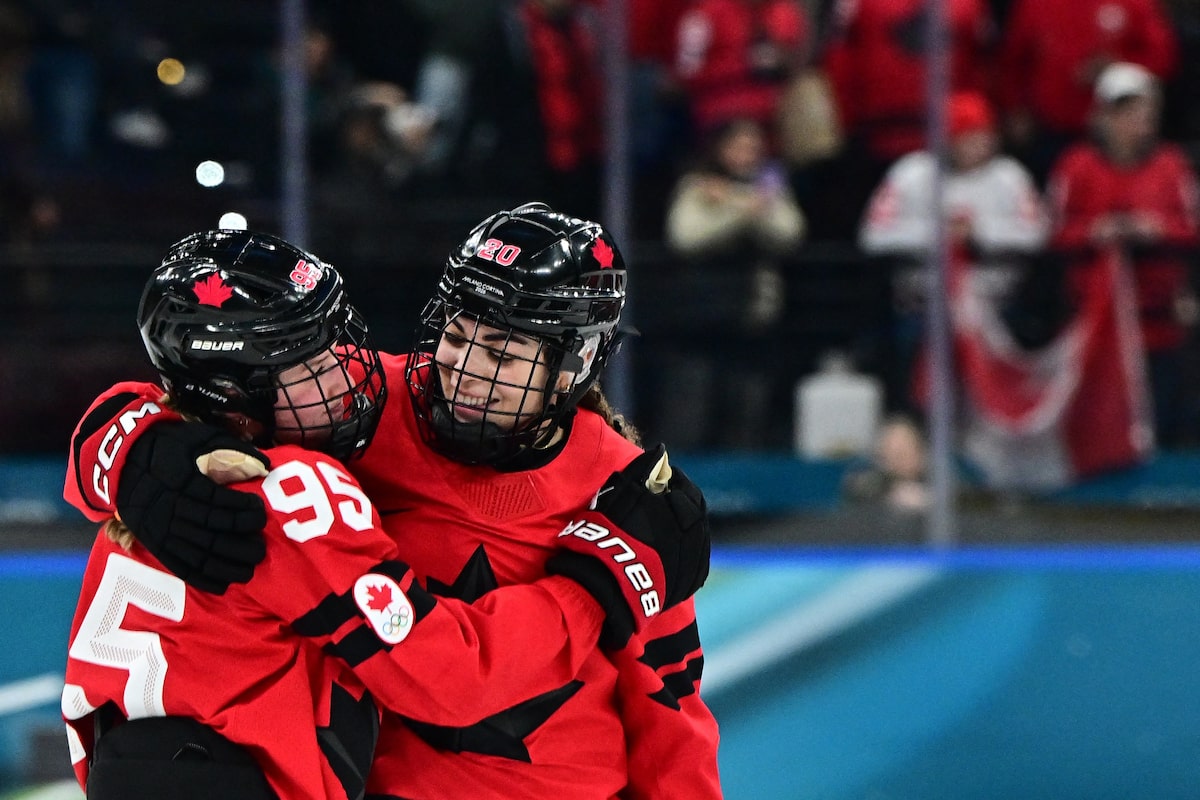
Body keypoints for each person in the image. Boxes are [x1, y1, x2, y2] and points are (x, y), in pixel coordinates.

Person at [62, 204, 722, 798]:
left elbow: (671, 712)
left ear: (575, 362)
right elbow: (189, 390)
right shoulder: (358, 406)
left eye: (504, 353)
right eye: (458, 337)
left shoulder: (629, 498)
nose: (465, 373)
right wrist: (136, 450)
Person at [859, 90, 1048, 416]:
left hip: (994, 313)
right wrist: (938, 235)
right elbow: (874, 235)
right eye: (969, 137)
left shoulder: (1009, 177)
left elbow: (1037, 233)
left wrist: (980, 234)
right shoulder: (912, 174)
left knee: (990, 406)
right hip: (924, 309)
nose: (980, 145)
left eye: (984, 136)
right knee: (921, 400)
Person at [1047, 61, 1200, 447]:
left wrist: (1156, 228)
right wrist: (1094, 232)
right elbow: (1053, 233)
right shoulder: (1076, 166)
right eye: (1127, 112)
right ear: (1105, 116)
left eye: (1145, 112)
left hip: (1159, 321)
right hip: (1095, 324)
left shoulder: (1172, 166)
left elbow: (1191, 227)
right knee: (1102, 423)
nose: (1138, 122)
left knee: (1165, 412)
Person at [662, 115, 806, 449]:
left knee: (748, 403)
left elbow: (790, 233)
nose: (748, 153)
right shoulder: (697, 185)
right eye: (740, 146)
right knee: (696, 402)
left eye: (754, 147)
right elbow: (687, 236)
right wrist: (742, 209)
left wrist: (737, 202)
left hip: (753, 316)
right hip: (702, 315)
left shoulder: (770, 187)